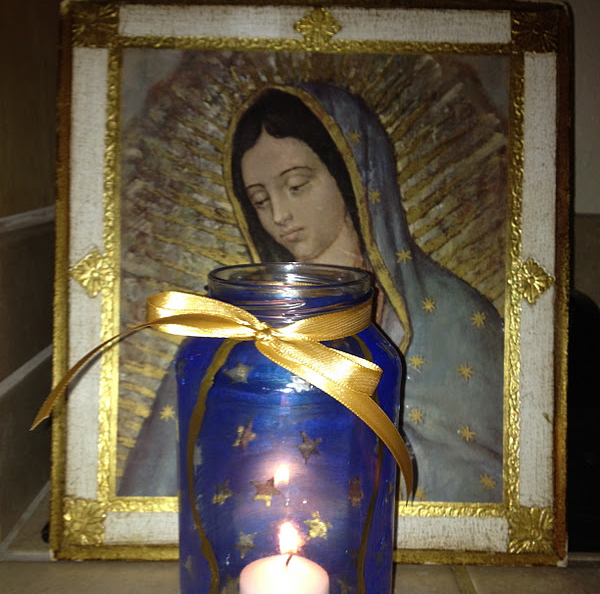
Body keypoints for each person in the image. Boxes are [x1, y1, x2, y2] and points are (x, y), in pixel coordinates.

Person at [121, 83, 504, 504]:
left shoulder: (455, 315)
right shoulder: (240, 319)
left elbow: (484, 481)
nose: (280, 215)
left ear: (353, 174)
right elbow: (164, 473)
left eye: (297, 185)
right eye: (261, 199)